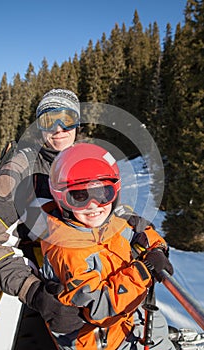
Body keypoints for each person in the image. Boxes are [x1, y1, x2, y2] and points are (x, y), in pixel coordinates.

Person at [40, 142, 175, 349]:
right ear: (62, 200)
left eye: (104, 193)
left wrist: (155, 248)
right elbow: (100, 309)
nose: (93, 205)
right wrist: (144, 270)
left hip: (131, 317)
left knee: (157, 328)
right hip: (102, 339)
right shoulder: (67, 250)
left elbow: (142, 232)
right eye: (79, 196)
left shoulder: (111, 219)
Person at [0, 88, 84, 338]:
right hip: (38, 268)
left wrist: (147, 240)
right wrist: (33, 291)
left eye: (66, 120)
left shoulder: (86, 162)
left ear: (77, 123)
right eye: (48, 120)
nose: (58, 129)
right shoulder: (21, 167)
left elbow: (114, 214)